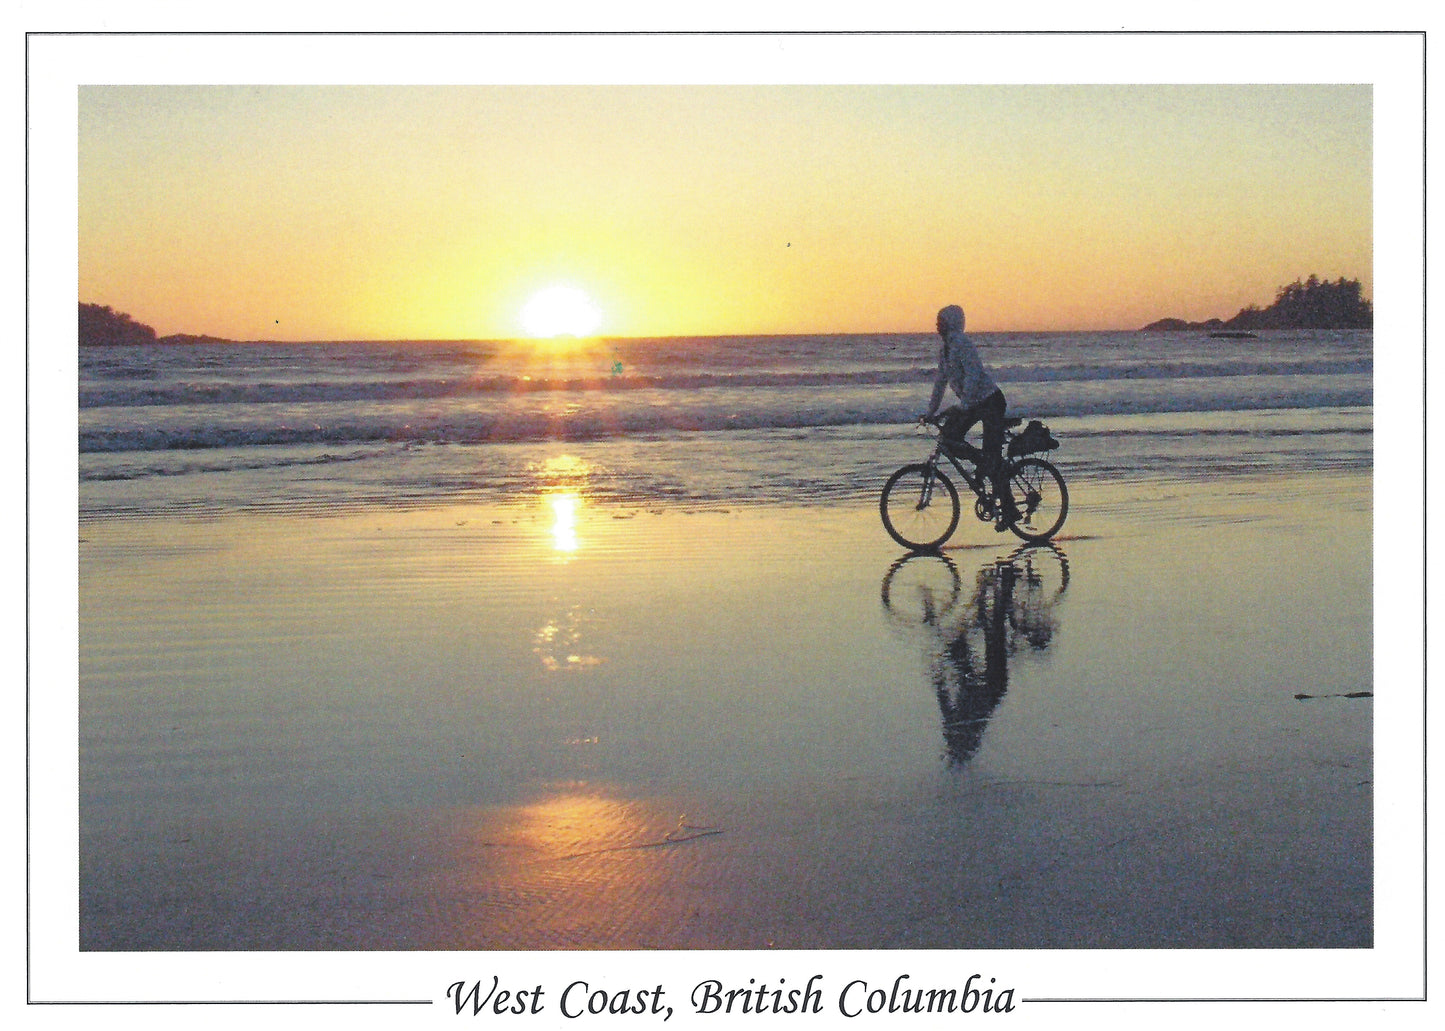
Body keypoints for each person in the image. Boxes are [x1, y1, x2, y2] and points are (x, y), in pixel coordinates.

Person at [921, 304, 1018, 528]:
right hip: (973, 403)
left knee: (992, 457)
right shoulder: (945, 350)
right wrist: (931, 412)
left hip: (990, 401)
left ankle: (1010, 508)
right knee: (949, 439)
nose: (937, 324)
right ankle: (982, 463)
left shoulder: (963, 344)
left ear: (951, 322)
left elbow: (974, 375)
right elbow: (940, 383)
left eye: (941, 320)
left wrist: (964, 405)